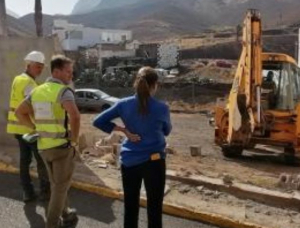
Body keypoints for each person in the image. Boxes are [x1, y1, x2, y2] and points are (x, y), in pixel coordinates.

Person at [93, 66, 172, 228]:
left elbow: (98, 121)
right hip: (154, 162)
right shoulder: (162, 108)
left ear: (136, 82)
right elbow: (167, 131)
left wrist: (123, 130)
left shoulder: (123, 104)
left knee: (130, 206)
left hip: (129, 161)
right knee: (154, 207)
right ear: (155, 85)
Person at [15, 55, 81, 228]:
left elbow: (19, 112)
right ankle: (52, 225)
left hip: (44, 148)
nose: (70, 76)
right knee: (60, 188)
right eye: (68, 72)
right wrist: (74, 140)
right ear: (56, 71)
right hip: (61, 147)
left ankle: (66, 214)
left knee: (57, 183)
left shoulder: (37, 90)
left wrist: (35, 128)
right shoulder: (63, 91)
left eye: (71, 73)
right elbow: (74, 115)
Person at [6, 51, 50, 202]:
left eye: (42, 67)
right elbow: (32, 107)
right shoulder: (29, 84)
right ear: (29, 65)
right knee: (41, 160)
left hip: (18, 129)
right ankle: (45, 192)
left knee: (24, 161)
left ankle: (27, 192)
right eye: (38, 66)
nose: (40, 70)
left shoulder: (18, 79)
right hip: (30, 129)